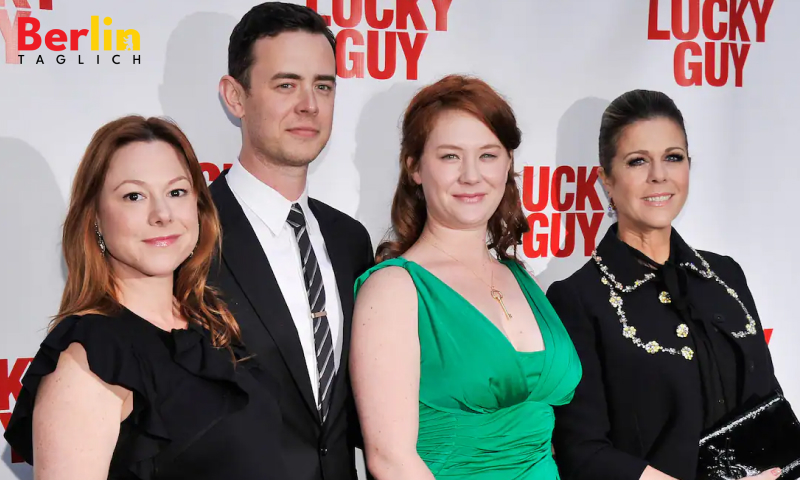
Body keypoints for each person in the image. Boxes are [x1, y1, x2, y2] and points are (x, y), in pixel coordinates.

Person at [3, 115, 286, 479]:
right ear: (96, 219)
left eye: (176, 192)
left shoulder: (210, 322)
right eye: (134, 196)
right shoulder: (91, 359)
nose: (162, 214)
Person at [349, 74, 583, 479]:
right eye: (450, 156)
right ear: (415, 168)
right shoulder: (393, 289)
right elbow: (391, 461)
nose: (472, 176)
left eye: (488, 155)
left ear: (508, 163)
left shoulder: (518, 276)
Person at [547, 89, 784, 480]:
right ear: (605, 179)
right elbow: (582, 451)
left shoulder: (726, 276)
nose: (659, 175)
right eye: (638, 161)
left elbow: (769, 403)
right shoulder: (577, 299)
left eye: (673, 158)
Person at [210, 3, 374, 480]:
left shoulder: (350, 241)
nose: (309, 105)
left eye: (323, 86)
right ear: (235, 97)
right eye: (286, 85)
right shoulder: (189, 236)